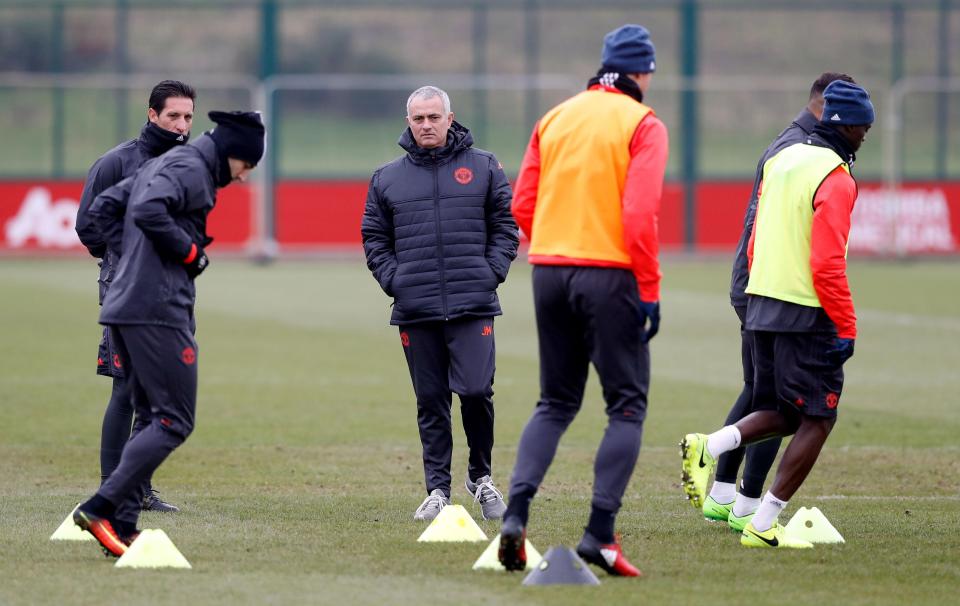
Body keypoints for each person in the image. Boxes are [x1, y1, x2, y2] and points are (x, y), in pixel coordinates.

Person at [498, 24, 668, 577]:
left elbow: (523, 203)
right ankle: (599, 534)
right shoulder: (643, 123)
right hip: (610, 273)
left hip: (548, 270)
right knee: (626, 405)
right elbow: (639, 217)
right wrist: (649, 289)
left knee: (555, 402)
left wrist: (552, 241)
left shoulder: (556, 116)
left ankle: (515, 515)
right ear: (641, 74)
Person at [680, 80, 874, 549]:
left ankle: (713, 446)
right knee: (819, 419)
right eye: (863, 127)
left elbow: (754, 231)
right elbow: (827, 262)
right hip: (804, 310)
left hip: (761, 300)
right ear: (845, 124)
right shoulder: (835, 175)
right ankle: (763, 522)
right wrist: (845, 326)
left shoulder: (782, 158)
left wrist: (750, 296)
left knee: (782, 411)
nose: (865, 135)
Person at [72, 111, 265, 557]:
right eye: (246, 166)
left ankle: (121, 526)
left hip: (125, 304)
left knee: (147, 415)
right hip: (157, 310)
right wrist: (190, 252)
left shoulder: (163, 163)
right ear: (233, 153)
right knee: (174, 419)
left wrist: (130, 262)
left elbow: (104, 210)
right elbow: (147, 210)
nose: (244, 176)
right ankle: (101, 507)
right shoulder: (192, 168)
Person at [361, 86, 519, 522]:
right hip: (416, 307)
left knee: (474, 391)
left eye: (434, 117)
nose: (426, 125)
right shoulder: (386, 177)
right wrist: (396, 281)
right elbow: (374, 237)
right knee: (431, 400)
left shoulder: (484, 166)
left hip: (473, 303)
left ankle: (481, 477)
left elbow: (506, 226)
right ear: (408, 122)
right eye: (418, 118)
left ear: (451, 119)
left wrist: (490, 273)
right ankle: (437, 490)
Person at [75, 79, 196, 513]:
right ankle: (114, 489)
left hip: (174, 286)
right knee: (126, 388)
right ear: (151, 114)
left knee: (157, 390)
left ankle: (138, 486)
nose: (181, 125)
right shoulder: (116, 162)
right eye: (173, 116)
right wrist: (124, 258)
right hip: (126, 285)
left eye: (187, 117)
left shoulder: (189, 162)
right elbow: (88, 226)